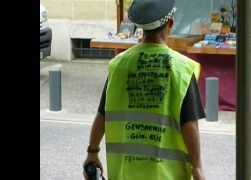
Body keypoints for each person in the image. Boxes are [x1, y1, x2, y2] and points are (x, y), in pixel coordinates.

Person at [83, 0, 206, 180]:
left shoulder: (119, 65)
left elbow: (102, 114)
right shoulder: (181, 69)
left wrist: (92, 152)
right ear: (170, 23)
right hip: (167, 175)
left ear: (141, 28)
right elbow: (189, 125)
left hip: (124, 173)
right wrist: (197, 168)